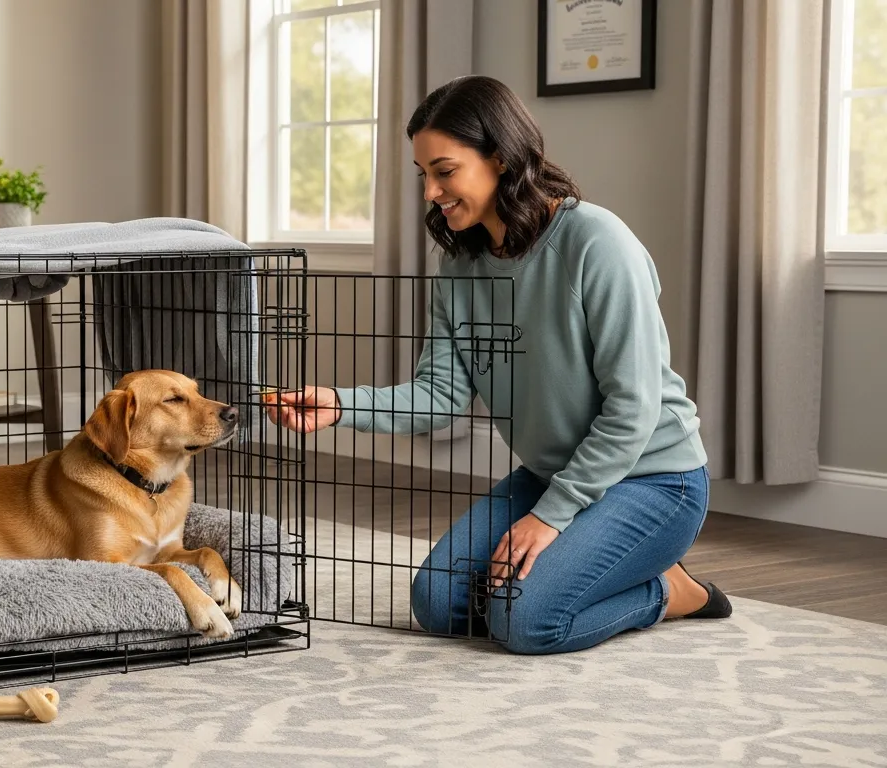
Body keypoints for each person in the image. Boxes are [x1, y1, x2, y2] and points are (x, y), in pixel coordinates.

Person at [264, 75, 732, 655]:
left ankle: (669, 590)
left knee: (525, 621)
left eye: (445, 170)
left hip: (654, 480)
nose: (430, 192)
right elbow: (439, 395)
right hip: (550, 474)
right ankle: (585, 567)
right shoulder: (461, 268)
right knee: (439, 605)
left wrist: (551, 518)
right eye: (424, 175)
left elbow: (633, 408)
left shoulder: (596, 242)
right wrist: (340, 404)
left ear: (502, 158)